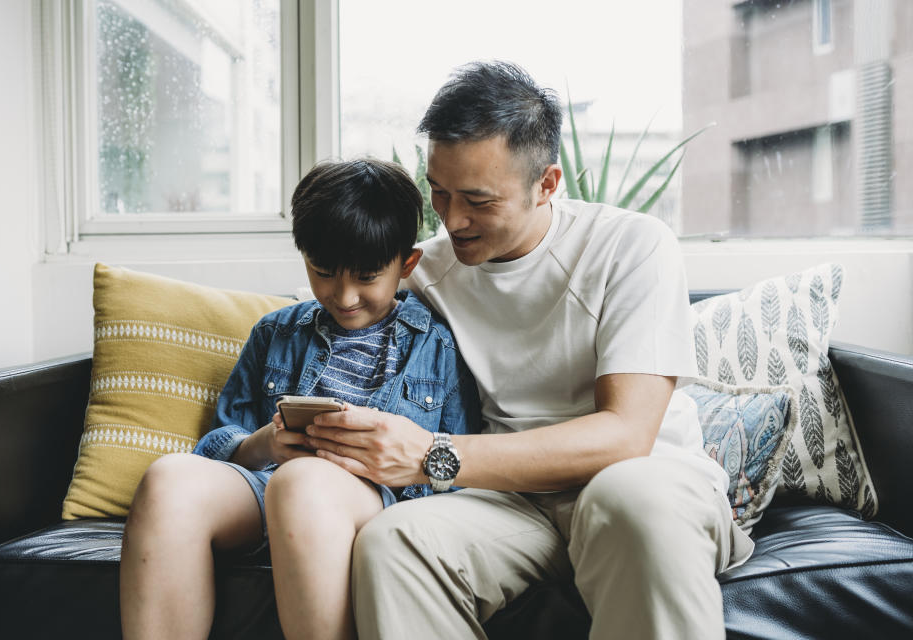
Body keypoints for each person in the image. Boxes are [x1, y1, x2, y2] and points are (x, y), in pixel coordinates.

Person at [304, 62, 755, 640]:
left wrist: (431, 455)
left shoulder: (631, 247)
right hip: (513, 505)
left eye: (477, 200)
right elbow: (327, 312)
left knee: (627, 497)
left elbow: (625, 436)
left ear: (547, 184)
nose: (452, 219)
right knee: (395, 542)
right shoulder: (425, 270)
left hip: (647, 484)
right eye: (438, 193)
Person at [119, 158, 481, 640]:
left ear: (407, 264)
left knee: (304, 482)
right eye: (324, 272)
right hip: (265, 492)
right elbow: (223, 443)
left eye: (367, 277)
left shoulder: (435, 348)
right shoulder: (276, 332)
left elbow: (457, 470)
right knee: (170, 479)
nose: (345, 295)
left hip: (377, 501)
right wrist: (264, 444)